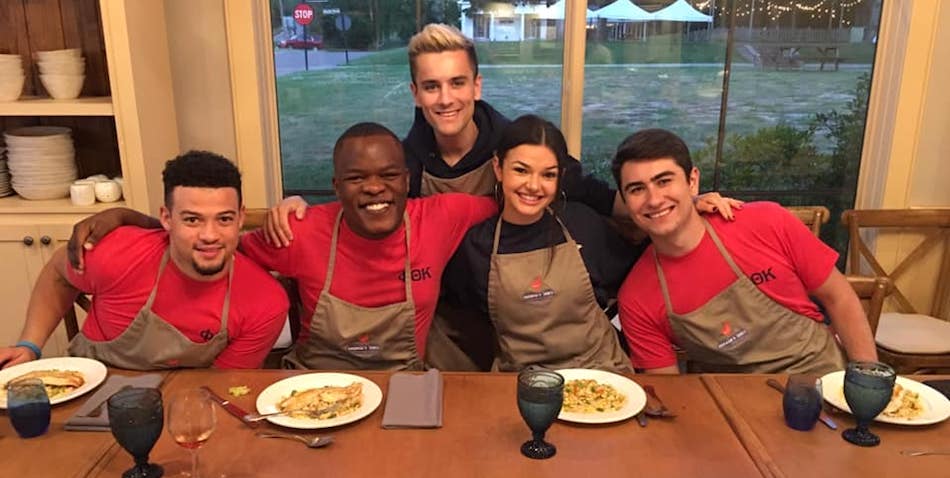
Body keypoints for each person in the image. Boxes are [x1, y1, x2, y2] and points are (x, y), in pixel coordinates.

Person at [67, 123, 498, 371]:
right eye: (355, 179)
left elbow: (514, 200)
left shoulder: (444, 217)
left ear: (408, 181)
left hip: (406, 384)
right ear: (335, 188)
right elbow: (215, 242)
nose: (373, 188)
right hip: (308, 388)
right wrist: (137, 220)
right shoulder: (303, 232)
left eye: (388, 175)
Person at [611, 128, 878, 374]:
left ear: (692, 182)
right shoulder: (637, 298)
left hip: (824, 377)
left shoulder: (767, 221)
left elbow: (839, 298)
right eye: (637, 189)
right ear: (624, 201)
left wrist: (866, 382)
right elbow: (667, 391)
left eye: (664, 181)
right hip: (735, 406)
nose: (654, 199)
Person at [0, 151, 289, 370]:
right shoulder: (116, 253)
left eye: (224, 219)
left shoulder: (265, 303)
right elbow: (58, 274)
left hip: (189, 405)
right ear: (166, 218)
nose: (209, 235)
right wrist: (29, 346)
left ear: (240, 218)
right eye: (192, 220)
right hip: (91, 390)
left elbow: (223, 388)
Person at [442, 115, 640, 372]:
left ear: (560, 178)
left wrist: (691, 209)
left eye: (548, 175)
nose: (533, 186)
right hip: (522, 384)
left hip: (601, 373)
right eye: (521, 170)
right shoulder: (476, 246)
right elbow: (460, 318)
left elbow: (636, 279)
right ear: (498, 168)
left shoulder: (582, 223)